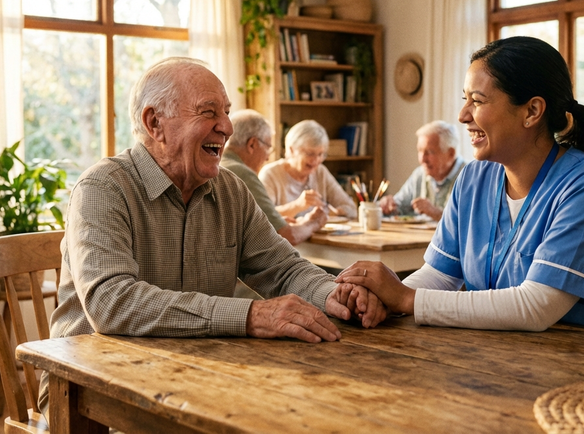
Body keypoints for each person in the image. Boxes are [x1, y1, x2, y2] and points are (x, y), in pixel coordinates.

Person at [38, 58, 383, 416]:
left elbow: (282, 269)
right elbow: (112, 304)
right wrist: (250, 316)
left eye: (227, 112)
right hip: (89, 394)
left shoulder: (230, 190)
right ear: (154, 123)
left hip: (197, 379)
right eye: (208, 112)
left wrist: (336, 295)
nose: (227, 127)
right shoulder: (102, 188)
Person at [336, 36, 584, 335]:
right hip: (508, 360)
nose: (462, 115)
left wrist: (404, 299)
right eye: (464, 100)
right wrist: (380, 298)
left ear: (532, 111)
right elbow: (440, 275)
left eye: (477, 101)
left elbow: (536, 306)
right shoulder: (474, 179)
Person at [222, 109, 327, 245]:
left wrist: (277, 222)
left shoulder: (219, 164)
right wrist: (314, 222)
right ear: (252, 144)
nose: (267, 157)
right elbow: (285, 237)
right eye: (268, 148)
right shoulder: (243, 174)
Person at [259, 119, 357, 219]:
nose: (316, 160)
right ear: (291, 150)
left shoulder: (320, 172)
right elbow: (263, 216)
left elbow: (351, 208)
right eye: (310, 154)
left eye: (320, 154)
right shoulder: (270, 174)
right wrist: (297, 206)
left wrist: (334, 213)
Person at [378, 120, 465, 221]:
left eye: (430, 152)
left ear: (451, 153)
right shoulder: (420, 174)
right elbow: (398, 206)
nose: (423, 159)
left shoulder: (470, 176)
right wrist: (388, 206)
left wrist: (435, 212)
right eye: (420, 151)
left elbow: (469, 222)